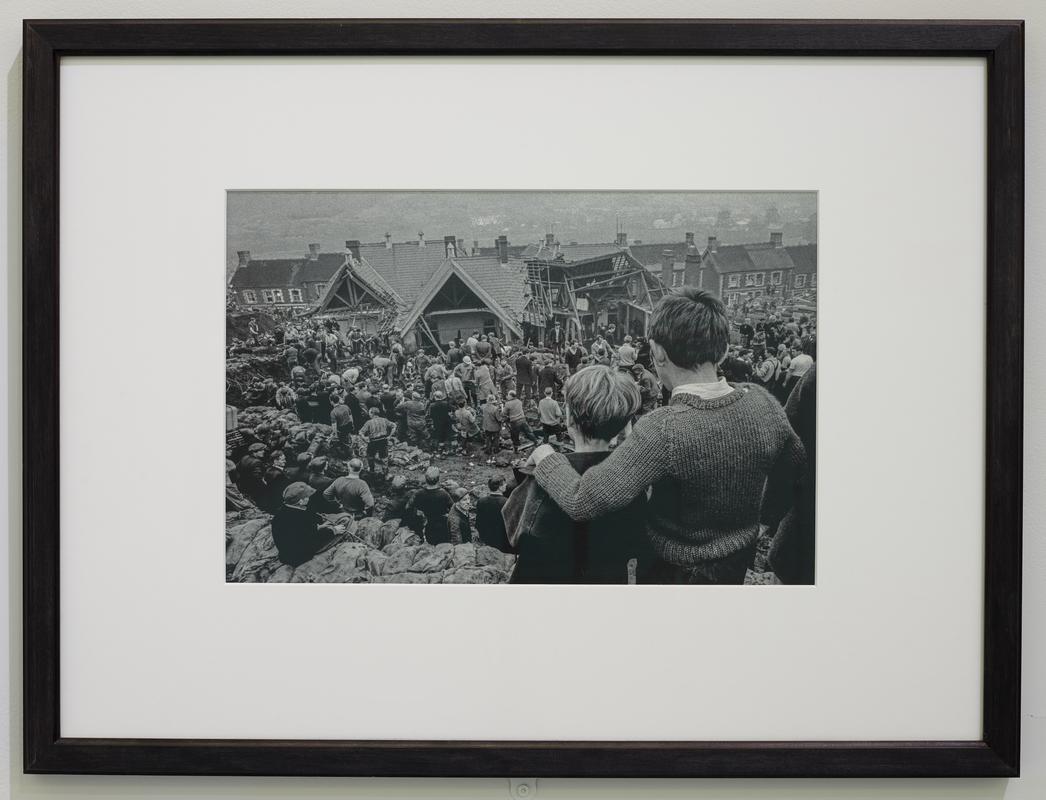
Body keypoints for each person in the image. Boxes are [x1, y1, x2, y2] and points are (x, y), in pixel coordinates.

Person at [528, 287, 806, 585]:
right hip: (736, 561)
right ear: (724, 350)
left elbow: (582, 500)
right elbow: (796, 470)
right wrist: (761, 522)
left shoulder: (662, 429)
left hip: (674, 572)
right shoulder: (763, 402)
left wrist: (547, 459)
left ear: (658, 353)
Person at [506, 365, 654, 583]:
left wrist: (519, 478)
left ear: (570, 420)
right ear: (623, 425)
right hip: (606, 583)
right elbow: (636, 543)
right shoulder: (636, 483)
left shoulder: (543, 480)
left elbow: (512, 535)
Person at [270, 482, 342, 568]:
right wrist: (333, 530)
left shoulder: (282, 511)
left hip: (285, 553)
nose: (309, 498)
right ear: (301, 501)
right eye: (307, 497)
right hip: (299, 557)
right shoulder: (300, 518)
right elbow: (311, 539)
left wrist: (317, 527)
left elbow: (298, 532)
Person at [407, 467, 454, 545]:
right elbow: (453, 509)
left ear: (425, 479)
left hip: (425, 528)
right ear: (438, 479)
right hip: (442, 528)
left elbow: (408, 507)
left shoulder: (419, 493)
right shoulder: (444, 494)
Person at [475, 476, 511, 552]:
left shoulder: (481, 501)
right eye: (504, 484)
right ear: (500, 487)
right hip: (502, 541)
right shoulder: (507, 502)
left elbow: (478, 523)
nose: (506, 485)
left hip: (487, 539)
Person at [358, 407, 396, 477]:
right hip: (383, 441)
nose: (369, 414)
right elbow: (394, 426)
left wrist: (364, 439)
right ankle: (385, 472)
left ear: (372, 413)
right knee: (384, 456)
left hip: (373, 442)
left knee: (370, 456)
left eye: (369, 412)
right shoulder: (384, 420)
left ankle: (372, 470)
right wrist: (390, 436)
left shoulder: (369, 422)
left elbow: (360, 432)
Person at [329, 391, 355, 457]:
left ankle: (349, 454)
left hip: (341, 429)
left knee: (343, 442)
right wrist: (352, 425)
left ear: (332, 401)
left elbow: (334, 426)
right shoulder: (346, 406)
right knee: (347, 437)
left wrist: (335, 435)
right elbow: (351, 417)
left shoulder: (333, 412)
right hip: (348, 425)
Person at [480, 394, 504, 460]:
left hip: (486, 426)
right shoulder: (495, 409)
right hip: (494, 427)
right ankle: (496, 449)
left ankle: (488, 450)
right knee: (496, 438)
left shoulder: (484, 407)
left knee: (488, 438)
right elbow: (499, 419)